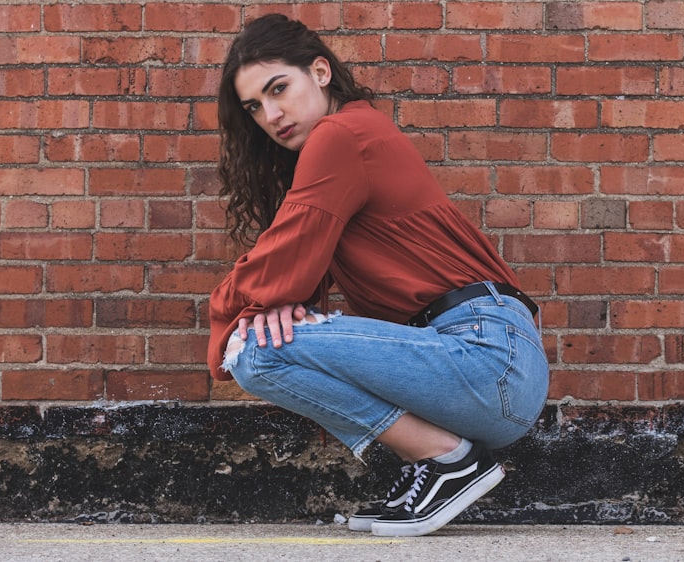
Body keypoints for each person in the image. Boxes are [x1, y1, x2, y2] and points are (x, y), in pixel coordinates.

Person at [208, 14, 549, 537]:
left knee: (253, 350)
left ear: (320, 72)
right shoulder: (348, 137)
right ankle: (438, 462)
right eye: (255, 106)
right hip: (489, 368)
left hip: (487, 357)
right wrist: (280, 298)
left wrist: (233, 306)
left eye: (279, 89)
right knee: (263, 343)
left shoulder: (341, 134)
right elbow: (290, 266)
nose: (271, 114)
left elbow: (281, 260)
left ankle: (448, 460)